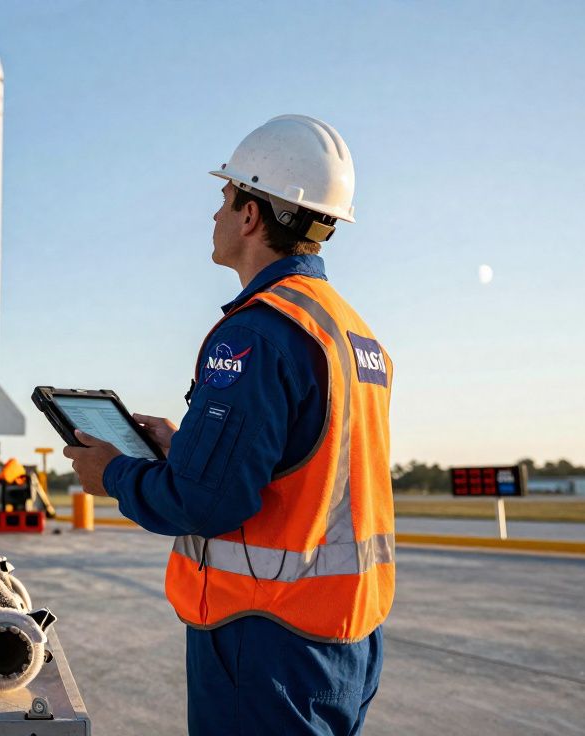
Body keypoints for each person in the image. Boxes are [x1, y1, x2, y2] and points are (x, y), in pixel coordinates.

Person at [64, 115, 394, 735]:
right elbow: (304, 464)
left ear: (250, 215)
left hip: (266, 637)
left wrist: (113, 474)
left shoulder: (255, 334)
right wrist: (185, 446)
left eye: (225, 197)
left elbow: (205, 503)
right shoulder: (352, 332)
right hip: (348, 634)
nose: (215, 213)